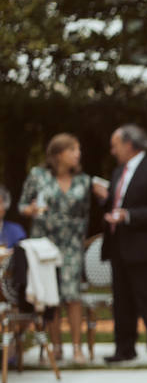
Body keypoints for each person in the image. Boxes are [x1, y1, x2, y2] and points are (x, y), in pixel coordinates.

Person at [19, 134, 94, 364]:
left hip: (71, 243)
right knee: (51, 294)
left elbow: (86, 213)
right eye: (73, 149)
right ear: (59, 153)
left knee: (72, 295)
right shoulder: (37, 176)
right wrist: (30, 210)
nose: (77, 154)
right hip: (45, 243)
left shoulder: (84, 180)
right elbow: (22, 205)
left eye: (78, 150)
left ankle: (77, 348)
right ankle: (56, 347)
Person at [101, 123, 147, 366]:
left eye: (115, 145)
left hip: (144, 247)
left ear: (129, 145)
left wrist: (127, 215)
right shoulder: (118, 171)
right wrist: (105, 200)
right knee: (121, 300)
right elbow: (115, 201)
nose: (113, 151)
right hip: (118, 245)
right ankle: (124, 348)